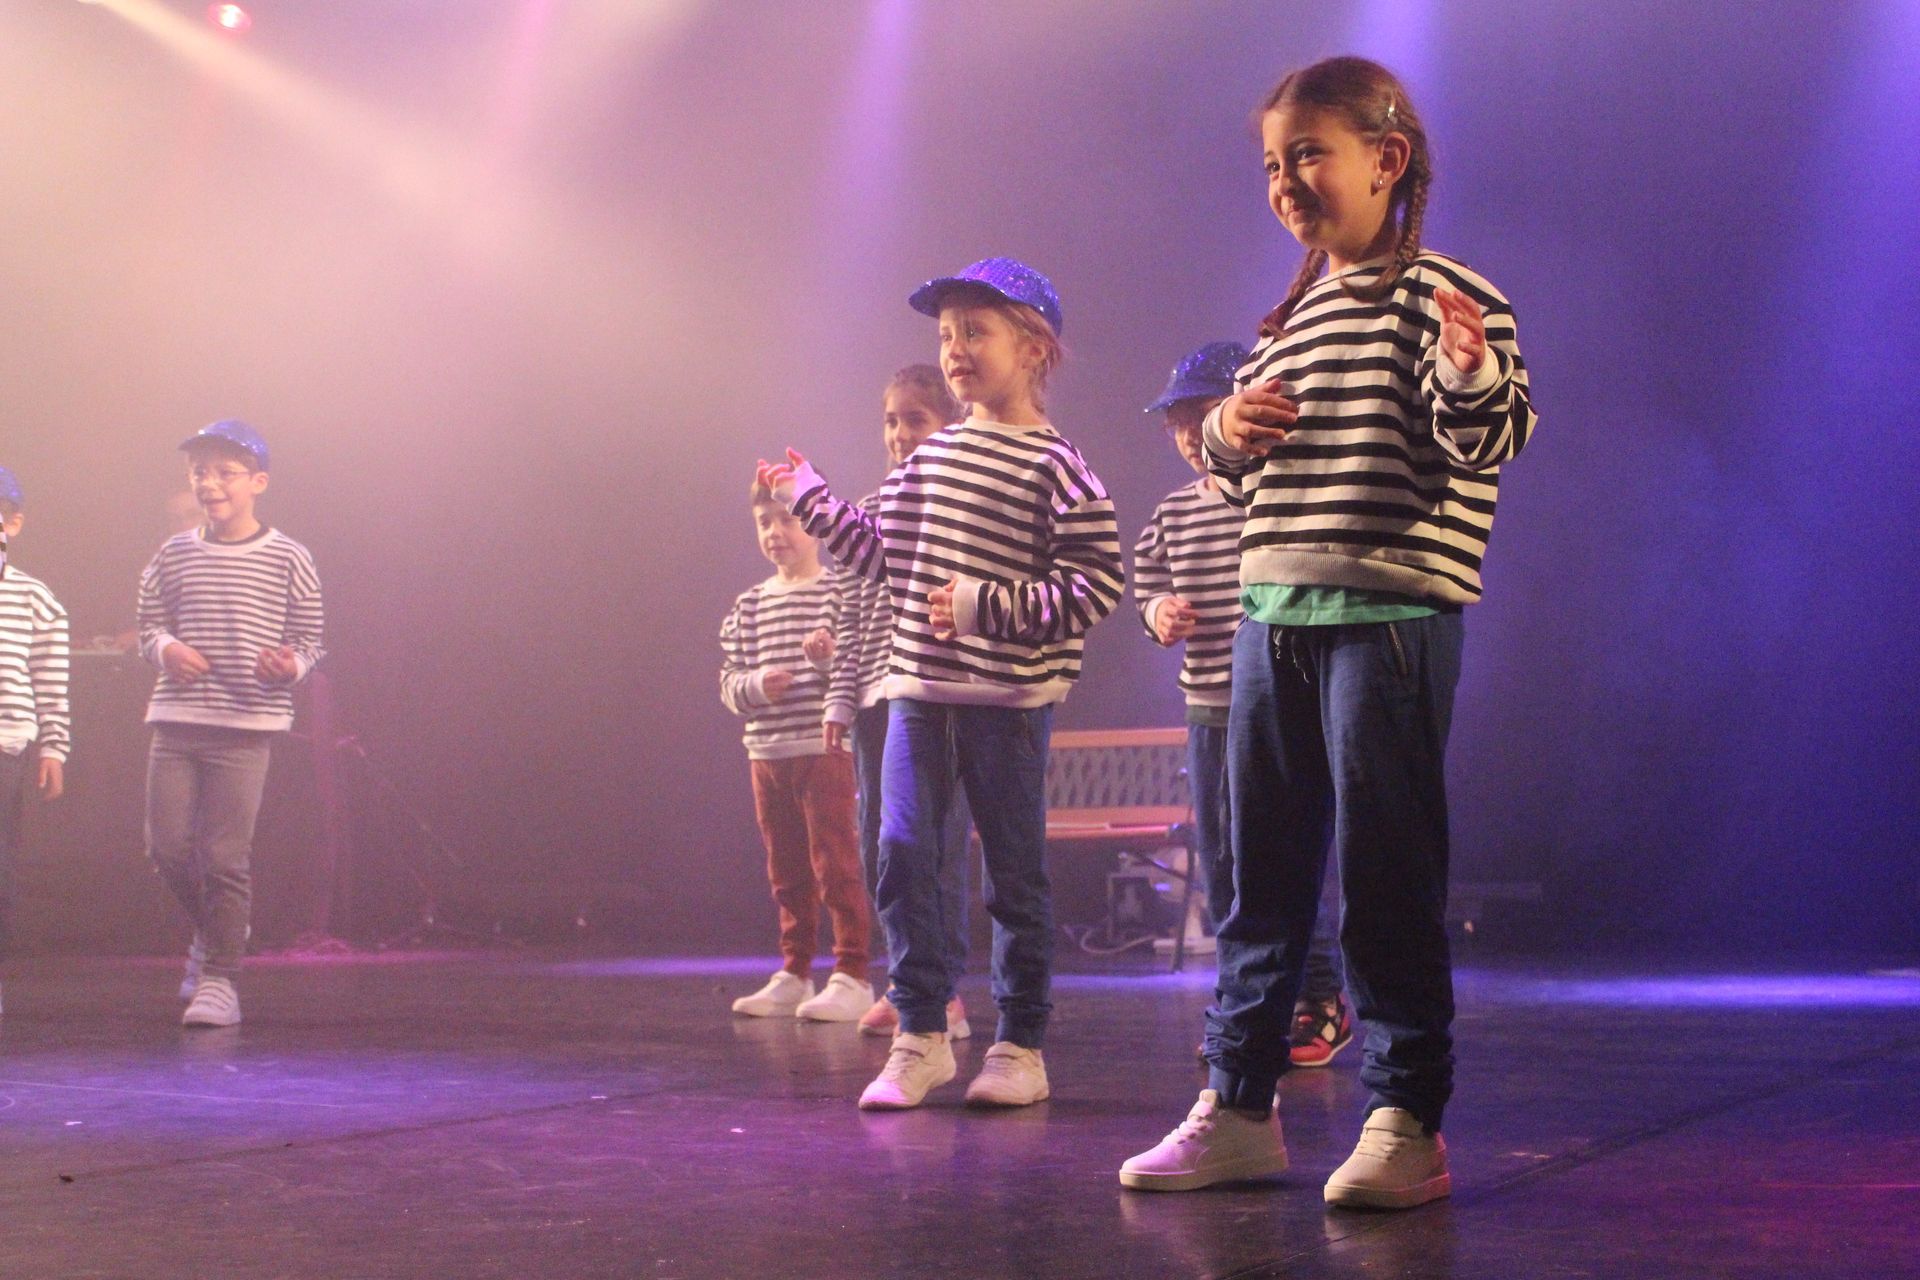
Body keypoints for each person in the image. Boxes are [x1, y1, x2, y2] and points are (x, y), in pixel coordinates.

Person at [1121, 57, 1537, 1209]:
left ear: (1385, 159)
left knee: (1386, 872)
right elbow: (1236, 481)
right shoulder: (1291, 316)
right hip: (1273, 619)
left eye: (1308, 152)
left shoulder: (1451, 295)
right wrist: (1228, 432)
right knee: (1259, 879)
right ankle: (1238, 1104)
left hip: (1389, 616)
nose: (1285, 180)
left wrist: (1465, 368)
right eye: (1272, 162)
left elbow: (1491, 435)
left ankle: (1404, 1115)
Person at [762, 257, 1123, 1110]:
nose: (955, 349)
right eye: (947, 335)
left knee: (1013, 878)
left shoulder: (1059, 467)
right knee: (900, 851)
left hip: (1008, 707)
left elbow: (1096, 586)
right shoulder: (933, 459)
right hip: (918, 694)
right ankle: (921, 1034)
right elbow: (878, 552)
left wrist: (980, 605)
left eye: (975, 332)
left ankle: (1021, 1046)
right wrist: (812, 498)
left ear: (1033, 348)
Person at [1135, 342, 1354, 1064]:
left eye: (1199, 416)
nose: (1187, 437)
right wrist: (1159, 612)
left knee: (1291, 854)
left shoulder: (1272, 495)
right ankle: (1244, 1006)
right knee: (1223, 858)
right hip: (1209, 707)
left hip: (1283, 703)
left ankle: (1318, 996)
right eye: (1175, 424)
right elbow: (1147, 583)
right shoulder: (1172, 513)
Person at [139, 421, 325, 1028]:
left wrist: (289, 665)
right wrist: (166, 649)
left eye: (225, 472)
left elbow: (309, 640)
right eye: (200, 472)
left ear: (258, 482)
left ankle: (220, 978)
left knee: (224, 858)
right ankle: (220, 930)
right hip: (177, 720)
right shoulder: (173, 553)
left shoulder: (289, 556)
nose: (210, 483)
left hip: (246, 725)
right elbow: (149, 626)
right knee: (166, 847)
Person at [844, 365, 974, 1042]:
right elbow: (851, 613)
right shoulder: (869, 507)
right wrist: (839, 698)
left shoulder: (960, 503)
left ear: (950, 425)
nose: (899, 433)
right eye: (891, 421)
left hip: (931, 692)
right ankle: (906, 979)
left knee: (934, 845)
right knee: (882, 845)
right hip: (874, 696)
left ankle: (941, 992)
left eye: (915, 419)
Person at [720, 476, 874, 1022]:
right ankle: (796, 970)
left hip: (822, 748)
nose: (776, 532)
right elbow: (729, 683)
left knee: (835, 864)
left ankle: (852, 972)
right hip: (767, 753)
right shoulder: (749, 605)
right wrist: (757, 685)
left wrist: (826, 659)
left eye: (787, 520)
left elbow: (856, 671)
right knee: (786, 870)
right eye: (765, 522)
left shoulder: (837, 593)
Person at [0, 466, 70, 1015]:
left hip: (6, 744)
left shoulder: (33, 597)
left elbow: (50, 678)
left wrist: (53, 746)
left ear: (12, 524)